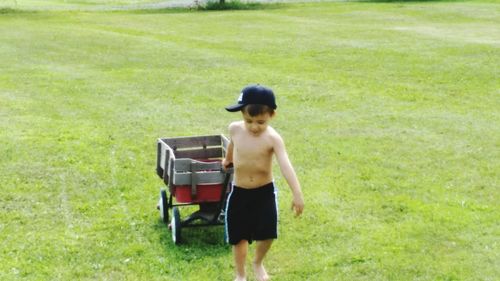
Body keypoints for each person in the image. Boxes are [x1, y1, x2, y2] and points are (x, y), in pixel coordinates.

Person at [222, 84, 305, 281]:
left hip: (264, 192)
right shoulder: (235, 129)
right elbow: (233, 145)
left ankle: (258, 262)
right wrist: (227, 160)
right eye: (248, 120)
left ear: (272, 115)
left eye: (260, 121)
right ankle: (240, 274)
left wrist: (297, 193)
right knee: (238, 235)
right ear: (241, 113)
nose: (254, 127)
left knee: (267, 233)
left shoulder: (273, 138)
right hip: (240, 191)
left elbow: (285, 165)